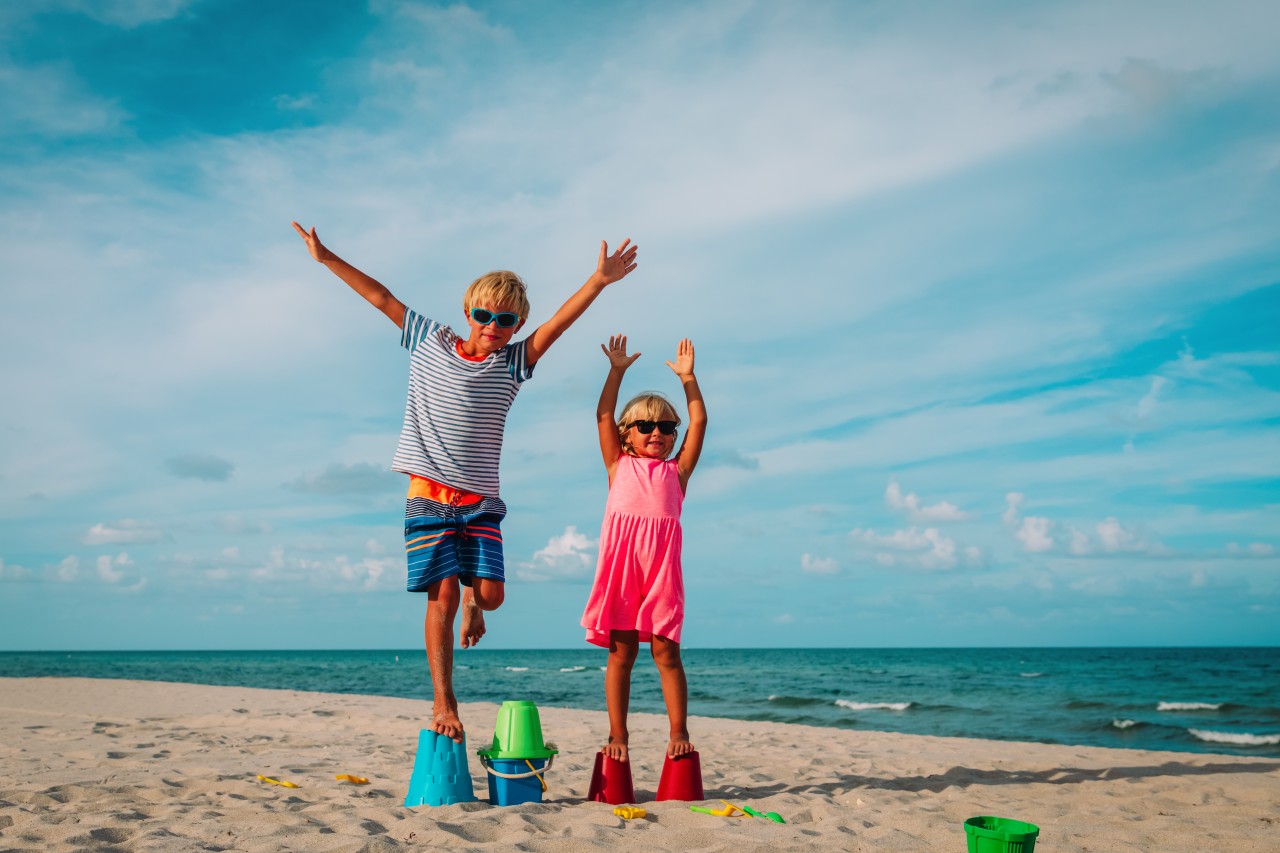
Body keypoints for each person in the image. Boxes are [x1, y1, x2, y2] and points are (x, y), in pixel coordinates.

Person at [291, 221, 638, 742]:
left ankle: (477, 604)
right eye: (483, 315)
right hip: (428, 496)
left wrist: (598, 281)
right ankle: (443, 701)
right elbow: (380, 296)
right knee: (443, 596)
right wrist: (326, 258)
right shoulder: (428, 339)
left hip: (480, 502)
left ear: (517, 324)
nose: (492, 326)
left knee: (491, 597)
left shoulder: (514, 363)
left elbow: (558, 325)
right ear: (467, 312)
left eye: (505, 319)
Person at [581, 334, 707, 761]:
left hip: (662, 571)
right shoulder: (619, 465)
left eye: (667, 427)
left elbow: (701, 422)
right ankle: (619, 735)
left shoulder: (678, 472)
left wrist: (689, 380)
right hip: (621, 568)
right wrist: (616, 372)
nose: (658, 433)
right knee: (622, 652)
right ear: (627, 433)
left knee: (666, 651)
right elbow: (601, 415)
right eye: (646, 426)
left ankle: (678, 732)